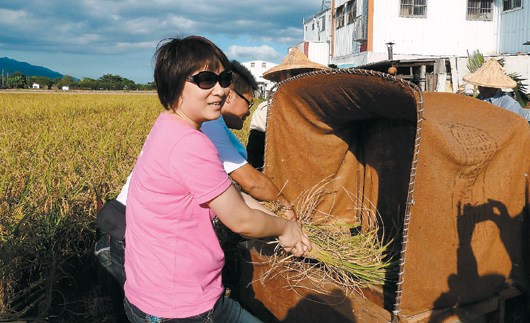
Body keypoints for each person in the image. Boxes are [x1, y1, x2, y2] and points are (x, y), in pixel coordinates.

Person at [122, 35, 311, 323]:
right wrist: (285, 228)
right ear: (173, 83)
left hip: (154, 297)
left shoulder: (169, 126)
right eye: (206, 80)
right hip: (182, 309)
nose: (220, 90)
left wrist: (284, 224)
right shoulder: (188, 143)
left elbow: (230, 197)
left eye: (224, 79)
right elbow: (240, 219)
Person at [246, 47, 329, 169]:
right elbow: (255, 154)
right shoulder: (265, 110)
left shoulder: (320, 109)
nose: (297, 79)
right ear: (281, 78)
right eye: (293, 74)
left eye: (303, 74)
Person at [463, 58, 530, 122]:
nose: (482, 89)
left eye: (487, 86)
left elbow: (515, 128)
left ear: (496, 86)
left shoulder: (509, 105)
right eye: (480, 85)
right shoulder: (477, 101)